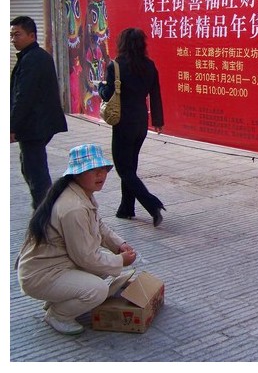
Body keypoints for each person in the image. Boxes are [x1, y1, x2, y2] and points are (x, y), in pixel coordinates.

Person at [16, 144, 137, 335]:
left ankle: (60, 297)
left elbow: (99, 225)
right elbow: (86, 258)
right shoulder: (73, 207)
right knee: (98, 289)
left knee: (103, 268)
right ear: (76, 174)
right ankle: (58, 315)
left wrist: (119, 245)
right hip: (40, 275)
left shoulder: (80, 194)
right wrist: (121, 261)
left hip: (57, 267)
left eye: (102, 170)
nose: (100, 175)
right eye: (92, 171)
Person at [98, 27, 165, 227]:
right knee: (130, 165)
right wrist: (158, 122)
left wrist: (101, 87)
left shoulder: (116, 66)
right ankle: (126, 208)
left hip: (123, 122)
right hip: (140, 122)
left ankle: (152, 204)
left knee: (123, 168)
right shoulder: (149, 65)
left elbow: (108, 94)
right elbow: (155, 95)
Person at [10, 16, 68, 209]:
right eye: (11, 35)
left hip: (35, 125)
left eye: (17, 34)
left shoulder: (33, 59)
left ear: (32, 35)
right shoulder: (33, 56)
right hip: (37, 124)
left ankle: (45, 218)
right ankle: (45, 212)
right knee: (30, 169)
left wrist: (12, 126)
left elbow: (24, 96)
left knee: (37, 175)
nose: (13, 39)